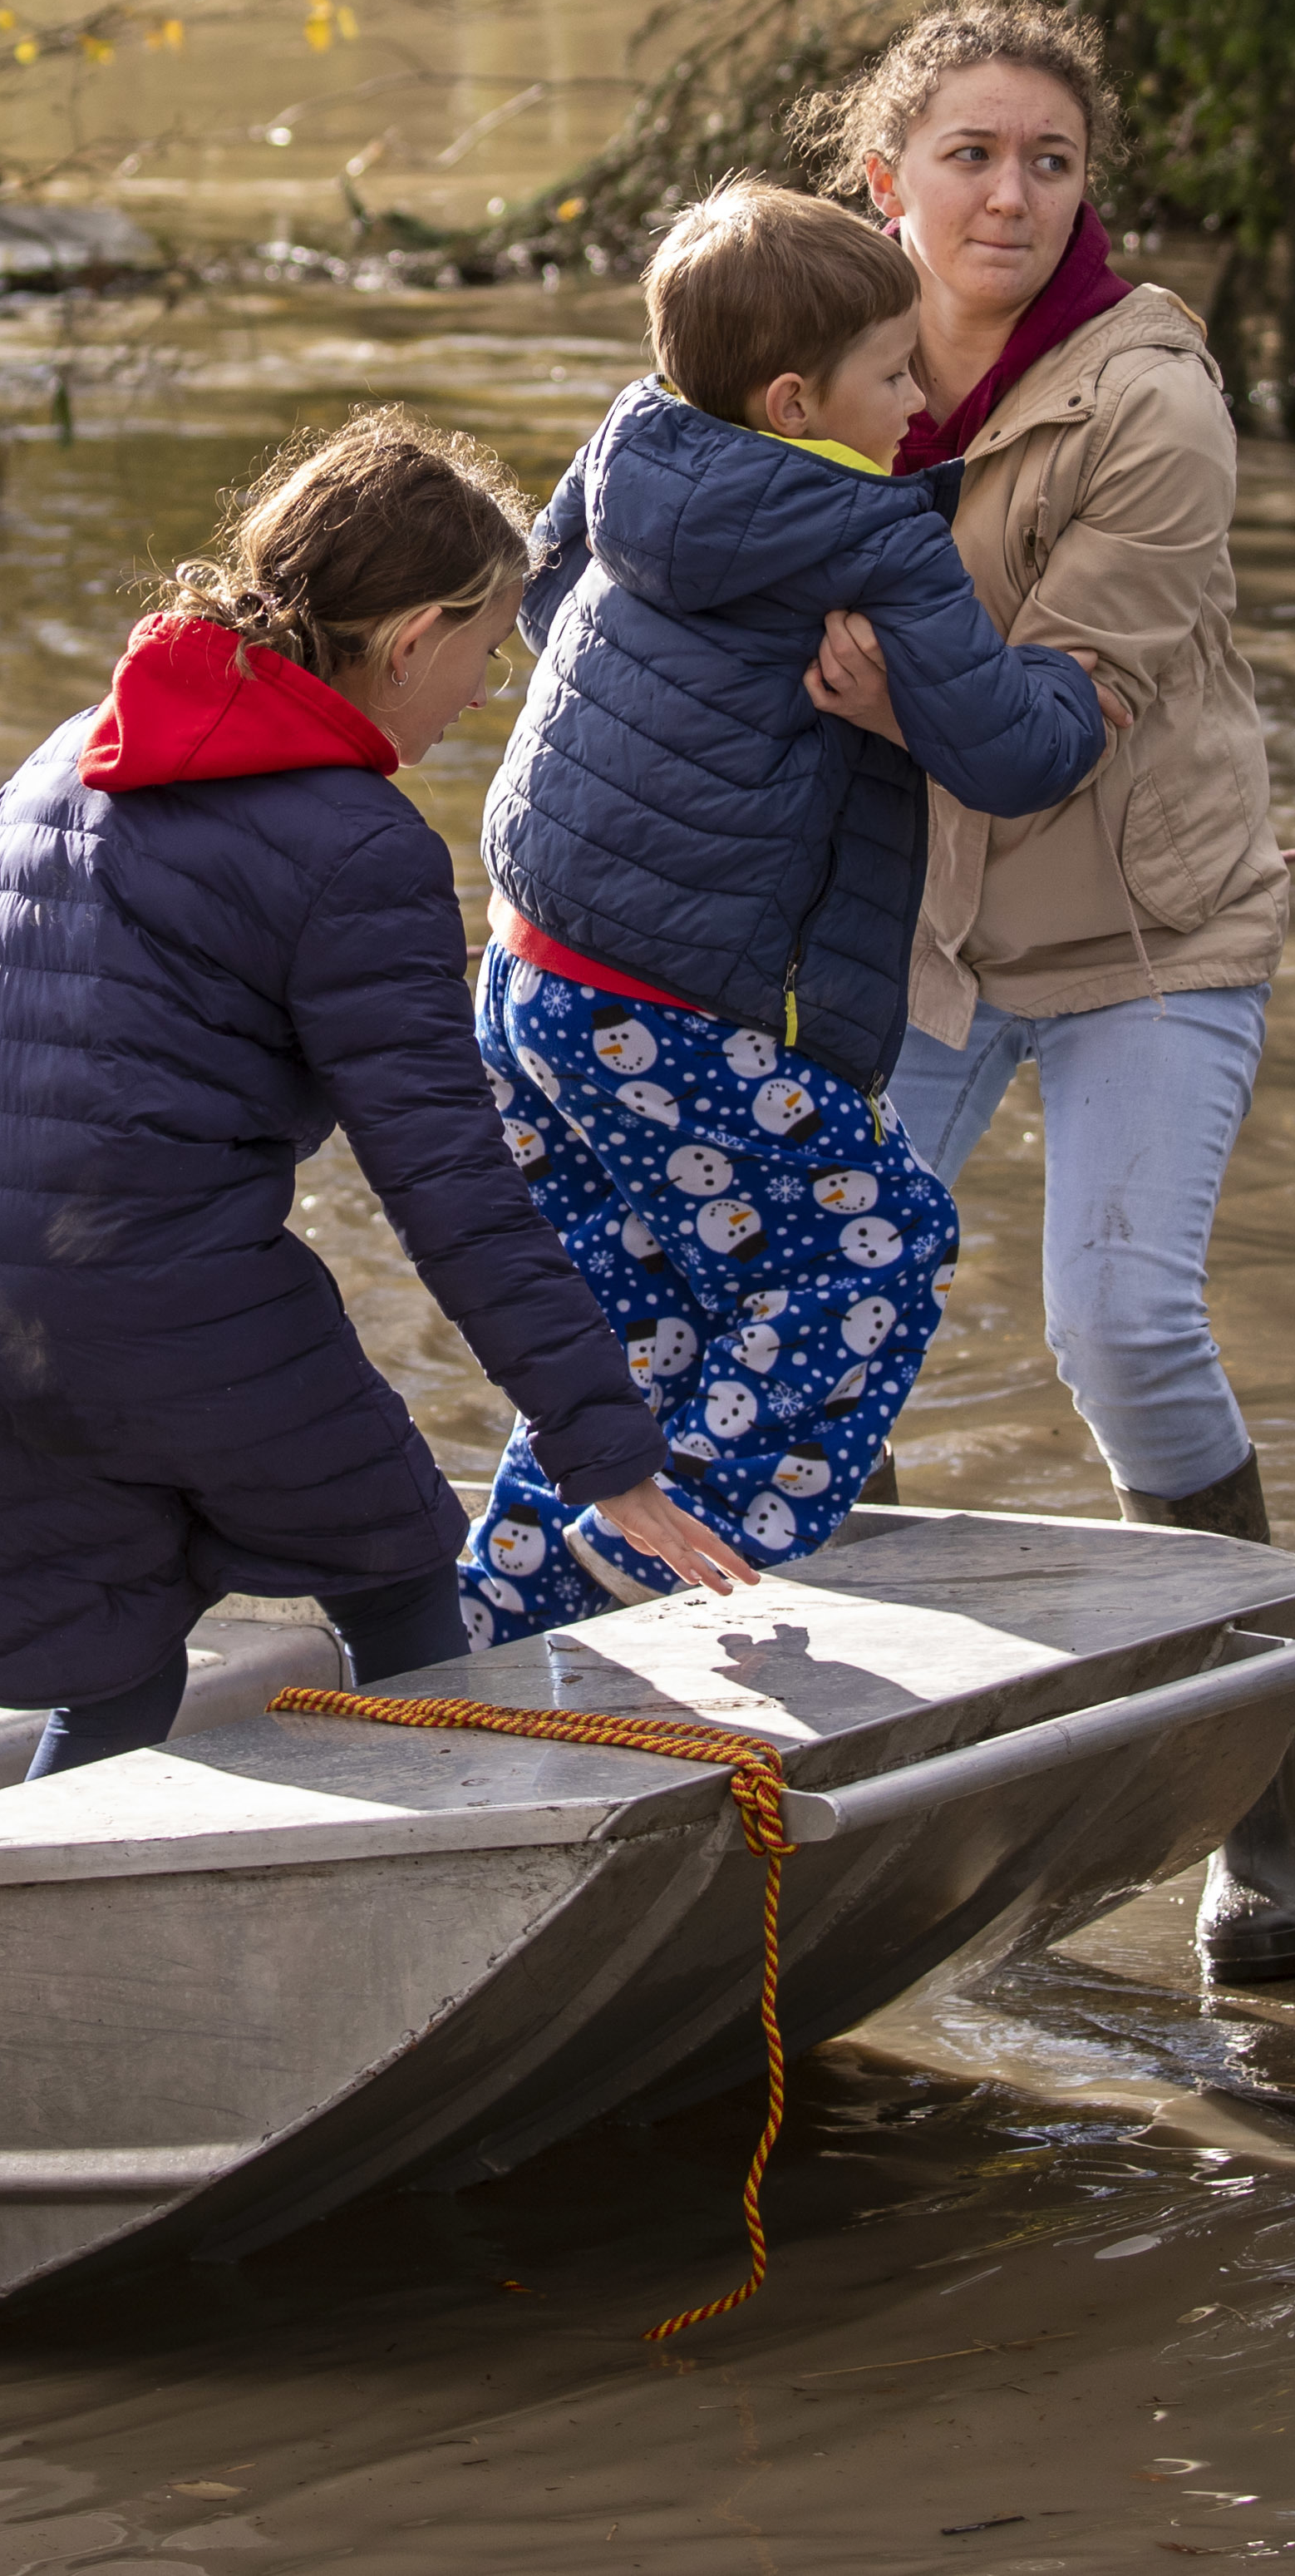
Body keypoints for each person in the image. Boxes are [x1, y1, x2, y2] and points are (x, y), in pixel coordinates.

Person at [0, 412, 758, 1777]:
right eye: (487, 647)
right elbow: (445, 1176)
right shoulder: (359, 844)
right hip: (175, 1312)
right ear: (408, 639)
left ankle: (63, 1932)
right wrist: (602, 1444)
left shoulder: (75, 751)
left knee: (111, 1676)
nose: (485, 690)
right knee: (396, 1576)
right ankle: (441, 1883)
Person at [793, 0, 1295, 1981]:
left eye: (1049, 161)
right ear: (886, 179)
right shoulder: (811, 368)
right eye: (971, 155)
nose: (1010, 193)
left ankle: (1257, 1816)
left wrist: (885, 686)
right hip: (922, 929)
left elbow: (1055, 726)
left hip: (1141, 937)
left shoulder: (1149, 403)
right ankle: (908, 1796)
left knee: (1115, 1323)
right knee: (819, 1313)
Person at [455, 185, 1109, 1635]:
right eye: (893, 372)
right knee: (873, 1239)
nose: (921, 396)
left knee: (647, 1323)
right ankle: (682, 1546)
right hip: (666, 1002)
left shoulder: (634, 435)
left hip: (523, 978)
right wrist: (1077, 683)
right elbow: (1008, 750)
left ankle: (503, 1606)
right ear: (798, 396)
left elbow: (545, 591)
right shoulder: (868, 529)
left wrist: (684, 703)